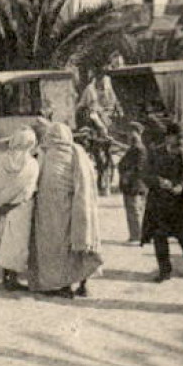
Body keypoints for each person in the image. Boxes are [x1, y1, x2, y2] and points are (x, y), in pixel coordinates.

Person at [27, 123, 104, 298]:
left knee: (53, 249)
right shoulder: (78, 153)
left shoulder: (44, 154)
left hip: (47, 212)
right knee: (76, 244)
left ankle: (59, 285)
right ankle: (80, 283)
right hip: (73, 208)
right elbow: (90, 179)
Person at [142, 124, 183, 282]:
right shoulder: (155, 153)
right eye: (176, 137)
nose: (180, 142)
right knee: (159, 237)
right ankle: (164, 271)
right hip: (160, 202)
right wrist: (158, 181)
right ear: (168, 137)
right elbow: (145, 174)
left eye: (182, 138)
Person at [0, 128, 40, 291]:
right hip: (19, 209)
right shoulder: (32, 164)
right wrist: (11, 205)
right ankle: (12, 279)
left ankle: (4, 276)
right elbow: (28, 191)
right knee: (16, 244)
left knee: (1, 241)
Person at [117, 122, 148, 245]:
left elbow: (138, 167)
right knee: (134, 209)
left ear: (137, 133)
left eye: (131, 132)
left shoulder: (138, 148)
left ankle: (137, 236)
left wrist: (126, 175)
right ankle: (135, 235)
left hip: (134, 184)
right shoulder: (135, 147)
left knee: (134, 210)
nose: (129, 135)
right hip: (133, 184)